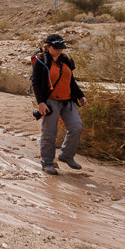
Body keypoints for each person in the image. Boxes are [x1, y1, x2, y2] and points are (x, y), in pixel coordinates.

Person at [30, 33, 86, 175]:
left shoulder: (65, 60)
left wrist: (80, 96)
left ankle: (66, 156)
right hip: (50, 101)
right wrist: (41, 103)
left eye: (61, 47)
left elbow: (71, 81)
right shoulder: (41, 61)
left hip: (67, 101)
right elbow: (35, 83)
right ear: (48, 47)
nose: (60, 50)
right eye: (57, 48)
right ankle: (47, 162)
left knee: (76, 127)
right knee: (49, 133)